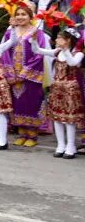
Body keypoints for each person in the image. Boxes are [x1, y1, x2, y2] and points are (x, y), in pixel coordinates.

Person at [0, 3, 49, 147]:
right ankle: (22, 133)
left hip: (30, 77)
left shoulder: (37, 33)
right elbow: (4, 53)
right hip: (13, 76)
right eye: (18, 15)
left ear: (30, 17)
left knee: (31, 103)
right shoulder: (10, 33)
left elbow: (39, 55)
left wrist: (23, 74)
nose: (20, 17)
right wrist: (10, 74)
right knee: (17, 104)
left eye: (23, 14)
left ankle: (32, 135)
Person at [32, 28, 85, 158]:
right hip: (57, 88)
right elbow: (38, 50)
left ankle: (70, 145)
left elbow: (72, 63)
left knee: (69, 119)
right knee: (57, 117)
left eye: (59, 38)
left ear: (68, 40)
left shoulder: (78, 53)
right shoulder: (57, 52)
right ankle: (61, 145)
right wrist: (34, 40)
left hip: (71, 90)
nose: (56, 40)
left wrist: (66, 50)